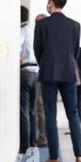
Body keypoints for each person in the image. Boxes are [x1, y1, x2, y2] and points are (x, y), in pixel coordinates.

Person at [34, 0, 81, 162]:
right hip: (69, 73)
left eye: (48, 0)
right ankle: (79, 156)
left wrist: (46, 63)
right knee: (74, 114)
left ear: (52, 2)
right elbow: (76, 52)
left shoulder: (42, 25)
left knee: (50, 114)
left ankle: (54, 157)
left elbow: (37, 50)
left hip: (48, 73)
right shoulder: (75, 25)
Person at [19, 6, 39, 154]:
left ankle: (25, 146)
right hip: (36, 72)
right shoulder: (34, 30)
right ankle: (33, 143)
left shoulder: (22, 31)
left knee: (24, 110)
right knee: (33, 110)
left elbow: (16, 50)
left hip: (25, 72)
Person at [34, 13, 48, 147]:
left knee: (41, 107)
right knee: (40, 108)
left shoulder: (45, 37)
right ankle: (42, 135)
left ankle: (44, 137)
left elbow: (38, 53)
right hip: (37, 73)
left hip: (43, 75)